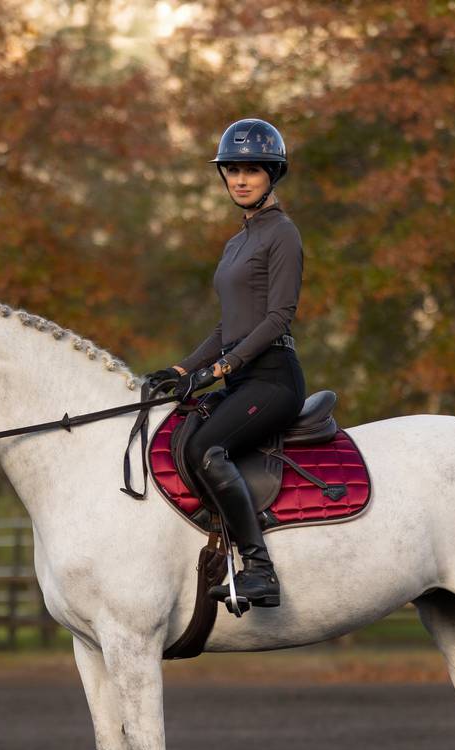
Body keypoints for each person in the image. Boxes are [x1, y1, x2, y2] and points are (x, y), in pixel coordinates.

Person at [148, 117, 306, 609]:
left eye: (252, 170)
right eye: (232, 169)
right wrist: (182, 369)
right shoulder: (236, 242)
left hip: (273, 380)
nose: (240, 179)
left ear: (272, 174)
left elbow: (279, 317)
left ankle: (259, 569)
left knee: (206, 448)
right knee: (179, 434)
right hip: (242, 378)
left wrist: (221, 370)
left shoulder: (283, 234)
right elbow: (228, 325)